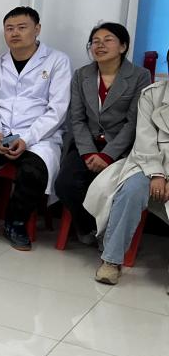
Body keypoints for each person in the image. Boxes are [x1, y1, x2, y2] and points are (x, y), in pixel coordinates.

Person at [0, 7, 72, 251]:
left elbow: (57, 109)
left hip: (39, 136)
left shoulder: (57, 62)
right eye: (9, 28)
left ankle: (15, 223)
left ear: (37, 29)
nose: (15, 33)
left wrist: (27, 138)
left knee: (34, 170)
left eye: (22, 27)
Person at [54, 22, 147, 245]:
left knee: (110, 187)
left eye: (108, 40)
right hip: (86, 144)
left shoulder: (139, 75)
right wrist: (88, 153)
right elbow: (77, 119)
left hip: (120, 148)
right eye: (95, 41)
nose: (100, 45)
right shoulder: (81, 75)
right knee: (65, 184)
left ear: (123, 46)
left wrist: (107, 155)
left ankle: (108, 233)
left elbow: (134, 122)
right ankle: (89, 228)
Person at [84, 79, 169, 286]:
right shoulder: (152, 94)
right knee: (131, 190)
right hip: (148, 163)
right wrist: (157, 174)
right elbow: (144, 140)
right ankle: (111, 261)